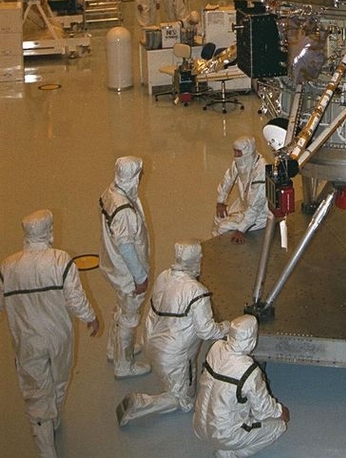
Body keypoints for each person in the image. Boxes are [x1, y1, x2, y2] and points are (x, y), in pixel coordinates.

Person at [0, 209, 100, 458]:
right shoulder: (60, 260)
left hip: (27, 340)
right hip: (59, 337)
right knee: (60, 378)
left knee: (35, 390)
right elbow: (75, 298)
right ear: (48, 231)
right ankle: (51, 418)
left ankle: (44, 429)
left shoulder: (8, 267)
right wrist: (90, 317)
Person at [116, 240, 227, 426]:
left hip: (150, 343)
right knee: (185, 402)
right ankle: (140, 403)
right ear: (195, 259)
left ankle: (170, 381)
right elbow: (207, 331)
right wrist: (227, 327)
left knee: (174, 378)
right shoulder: (197, 292)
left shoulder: (163, 276)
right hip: (173, 356)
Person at [193, 314, 289, 457]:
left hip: (200, 426)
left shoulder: (215, 347)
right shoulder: (248, 370)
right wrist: (280, 411)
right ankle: (230, 454)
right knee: (279, 426)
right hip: (226, 435)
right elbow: (263, 411)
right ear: (252, 339)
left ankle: (225, 447)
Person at [99, 155, 151, 377]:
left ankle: (114, 348)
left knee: (121, 308)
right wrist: (140, 278)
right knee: (130, 316)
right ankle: (124, 365)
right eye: (140, 174)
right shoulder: (125, 211)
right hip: (128, 273)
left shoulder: (110, 193)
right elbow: (127, 248)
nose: (142, 176)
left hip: (114, 267)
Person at [212, 136, 271, 242]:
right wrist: (220, 201)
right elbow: (228, 179)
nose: (235, 156)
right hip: (244, 204)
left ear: (248, 152)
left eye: (238, 152)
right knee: (218, 218)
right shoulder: (239, 162)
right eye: (234, 151)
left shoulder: (261, 171)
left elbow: (256, 205)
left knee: (222, 228)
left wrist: (241, 230)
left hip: (260, 214)